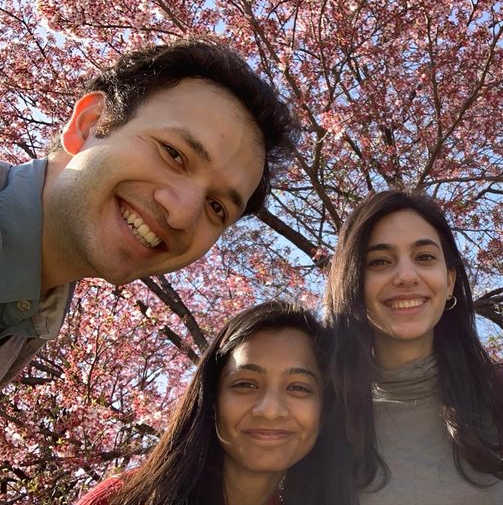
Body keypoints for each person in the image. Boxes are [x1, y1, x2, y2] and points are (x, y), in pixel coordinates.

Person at [0, 37, 295, 386]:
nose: (181, 214)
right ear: (89, 124)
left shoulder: (32, 316)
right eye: (173, 154)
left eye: (216, 207)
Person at [325, 190, 503, 505]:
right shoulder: (316, 401)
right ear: (352, 282)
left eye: (425, 257)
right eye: (379, 262)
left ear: (451, 279)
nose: (406, 276)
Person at [55, 300, 360, 505]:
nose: (270, 410)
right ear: (211, 399)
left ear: (323, 414)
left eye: (298, 388)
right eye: (245, 384)